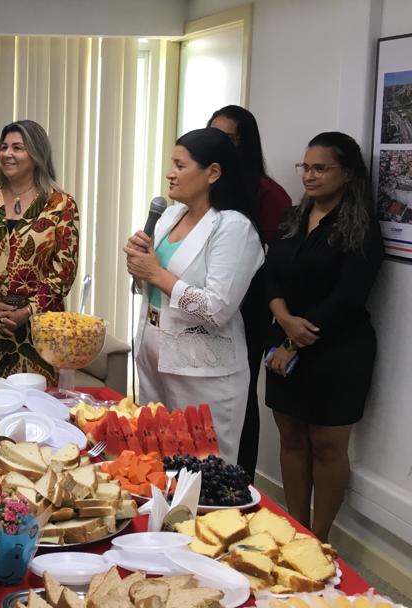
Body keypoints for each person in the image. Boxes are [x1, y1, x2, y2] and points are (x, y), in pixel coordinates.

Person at [264, 132, 383, 540]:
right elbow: (270, 276)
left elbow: (347, 298)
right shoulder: (290, 219)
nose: (309, 176)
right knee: (291, 439)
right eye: (306, 167)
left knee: (328, 447)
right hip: (284, 340)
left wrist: (293, 341)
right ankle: (297, 530)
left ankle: (319, 539)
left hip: (337, 351)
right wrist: (283, 320)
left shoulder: (362, 229)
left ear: (346, 173)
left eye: (321, 168)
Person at [124, 128, 263, 464]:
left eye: (180, 165)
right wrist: (138, 266)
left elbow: (216, 309)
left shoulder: (233, 227)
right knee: (157, 464)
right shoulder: (171, 215)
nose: (170, 173)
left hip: (203, 376)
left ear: (213, 173)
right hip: (154, 358)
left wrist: (155, 272)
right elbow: (152, 287)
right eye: (171, 163)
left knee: (203, 472)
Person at [0, 120, 79, 384]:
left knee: (36, 403)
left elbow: (64, 272)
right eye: (4, 147)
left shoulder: (61, 204)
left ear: (36, 154)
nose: (7, 154)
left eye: (17, 148)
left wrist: (26, 312)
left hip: (39, 328)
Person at [208, 105, 292, 480]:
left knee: (240, 397)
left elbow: (278, 265)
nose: (218, 144)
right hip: (200, 307)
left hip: (248, 308)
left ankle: (239, 481)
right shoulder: (208, 185)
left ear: (246, 143)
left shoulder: (269, 195)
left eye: (227, 138)